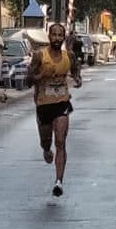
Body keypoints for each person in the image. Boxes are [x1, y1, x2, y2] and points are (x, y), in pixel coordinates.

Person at [27, 19, 83, 197]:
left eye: (60, 35)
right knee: (47, 141)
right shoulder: (40, 56)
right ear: (49, 36)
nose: (57, 38)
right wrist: (41, 75)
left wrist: (77, 79)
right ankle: (45, 148)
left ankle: (59, 181)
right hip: (43, 104)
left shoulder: (69, 57)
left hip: (61, 103)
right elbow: (28, 80)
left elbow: (75, 71)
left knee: (60, 141)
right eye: (54, 35)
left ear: (64, 37)